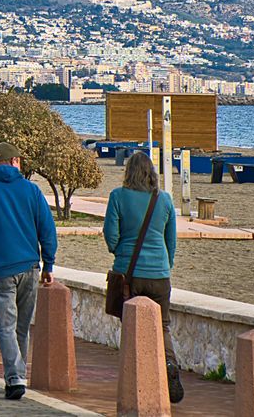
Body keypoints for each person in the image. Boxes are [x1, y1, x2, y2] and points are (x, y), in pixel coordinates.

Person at [0, 141, 57, 401]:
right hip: (29, 267)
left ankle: (15, 377)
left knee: (6, 326)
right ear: (15, 162)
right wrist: (48, 264)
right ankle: (16, 376)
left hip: (0, 270)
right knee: (21, 328)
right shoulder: (32, 191)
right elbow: (47, 230)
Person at [103, 150, 182, 404]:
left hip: (129, 274)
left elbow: (110, 235)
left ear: (129, 172)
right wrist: (164, 265)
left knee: (131, 325)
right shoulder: (165, 200)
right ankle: (169, 363)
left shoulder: (117, 196)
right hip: (159, 274)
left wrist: (121, 252)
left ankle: (139, 376)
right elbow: (171, 241)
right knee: (163, 325)